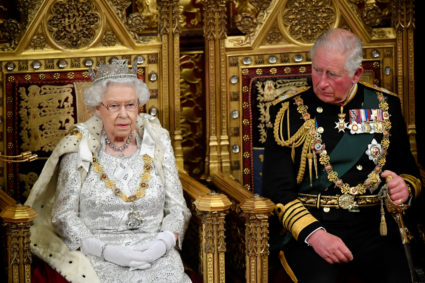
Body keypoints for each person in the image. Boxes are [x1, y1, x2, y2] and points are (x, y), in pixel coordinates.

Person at [262, 28, 422, 283]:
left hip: (375, 229)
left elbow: (409, 172)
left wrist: (405, 188)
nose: (321, 82)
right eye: (316, 70)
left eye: (332, 74)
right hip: (314, 227)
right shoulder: (287, 113)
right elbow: (277, 189)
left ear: (356, 73)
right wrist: (315, 235)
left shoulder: (385, 106)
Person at [25, 59, 192, 283]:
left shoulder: (157, 141)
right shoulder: (78, 147)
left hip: (157, 256)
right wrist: (105, 251)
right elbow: (63, 215)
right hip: (98, 257)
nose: (124, 114)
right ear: (97, 109)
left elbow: (178, 209)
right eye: (114, 106)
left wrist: (162, 244)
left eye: (130, 105)